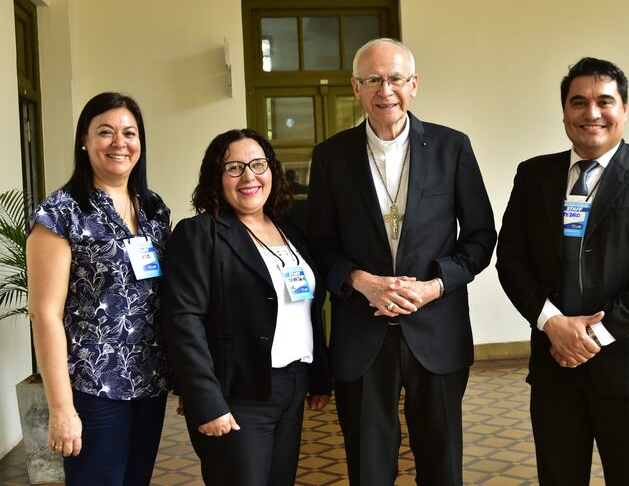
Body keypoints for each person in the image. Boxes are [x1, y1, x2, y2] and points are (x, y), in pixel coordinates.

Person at [496, 57, 629, 486]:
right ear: (564, 111)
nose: (592, 113)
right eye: (578, 102)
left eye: (605, 101)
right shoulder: (533, 175)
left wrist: (593, 335)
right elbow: (511, 261)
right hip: (554, 365)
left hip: (628, 367)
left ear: (624, 109)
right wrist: (553, 325)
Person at [307, 38, 496, 486]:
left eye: (394, 78)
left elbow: (480, 237)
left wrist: (434, 286)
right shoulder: (331, 157)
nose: (384, 89)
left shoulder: (453, 148)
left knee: (441, 463)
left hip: (437, 328)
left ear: (414, 84)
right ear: (356, 87)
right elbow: (319, 246)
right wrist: (360, 281)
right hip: (362, 331)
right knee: (369, 467)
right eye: (372, 79)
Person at [160, 129, 332, 486]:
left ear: (273, 171)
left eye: (258, 164)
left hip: (291, 385)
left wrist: (318, 378)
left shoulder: (290, 231)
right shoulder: (200, 233)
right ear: (216, 177)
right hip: (236, 395)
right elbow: (183, 321)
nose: (249, 176)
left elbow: (306, 309)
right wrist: (205, 401)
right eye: (234, 167)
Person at [26, 92, 171, 485]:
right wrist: (61, 409)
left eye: (129, 132)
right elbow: (44, 314)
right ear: (84, 140)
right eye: (105, 132)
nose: (119, 142)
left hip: (150, 382)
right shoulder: (61, 213)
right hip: (93, 387)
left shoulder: (154, 209)